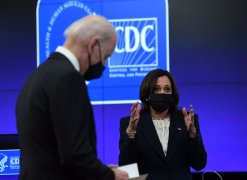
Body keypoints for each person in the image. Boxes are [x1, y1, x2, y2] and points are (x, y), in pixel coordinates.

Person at [16, 15, 128, 180]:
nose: (104, 65)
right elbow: (75, 155)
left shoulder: (39, 75)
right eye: (106, 56)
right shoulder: (67, 78)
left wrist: (98, 170)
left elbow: (53, 151)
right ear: (93, 45)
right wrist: (109, 176)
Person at [118, 69, 207, 180]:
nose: (162, 93)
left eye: (167, 89)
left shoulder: (187, 120)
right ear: (147, 94)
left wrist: (193, 136)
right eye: (156, 89)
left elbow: (199, 164)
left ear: (172, 93)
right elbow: (127, 171)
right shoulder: (130, 123)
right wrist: (131, 134)